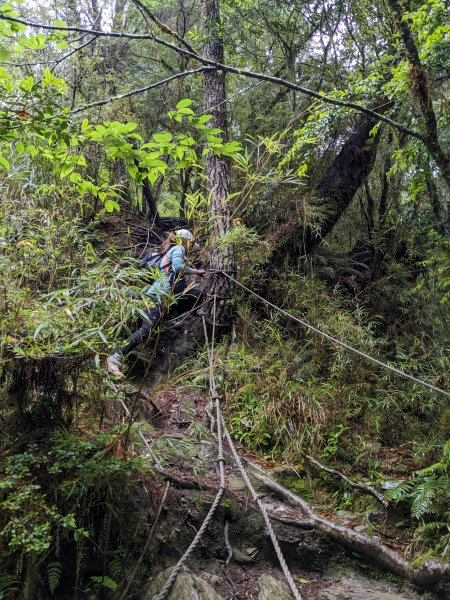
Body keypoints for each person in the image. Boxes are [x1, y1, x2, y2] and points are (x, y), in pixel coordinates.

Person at [106, 229, 205, 377]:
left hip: (167, 298)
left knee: (196, 294)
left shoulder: (174, 252)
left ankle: (171, 317)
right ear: (185, 241)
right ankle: (115, 357)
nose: (192, 248)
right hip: (157, 296)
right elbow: (178, 267)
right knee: (147, 330)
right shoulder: (178, 248)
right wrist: (196, 272)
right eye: (191, 244)